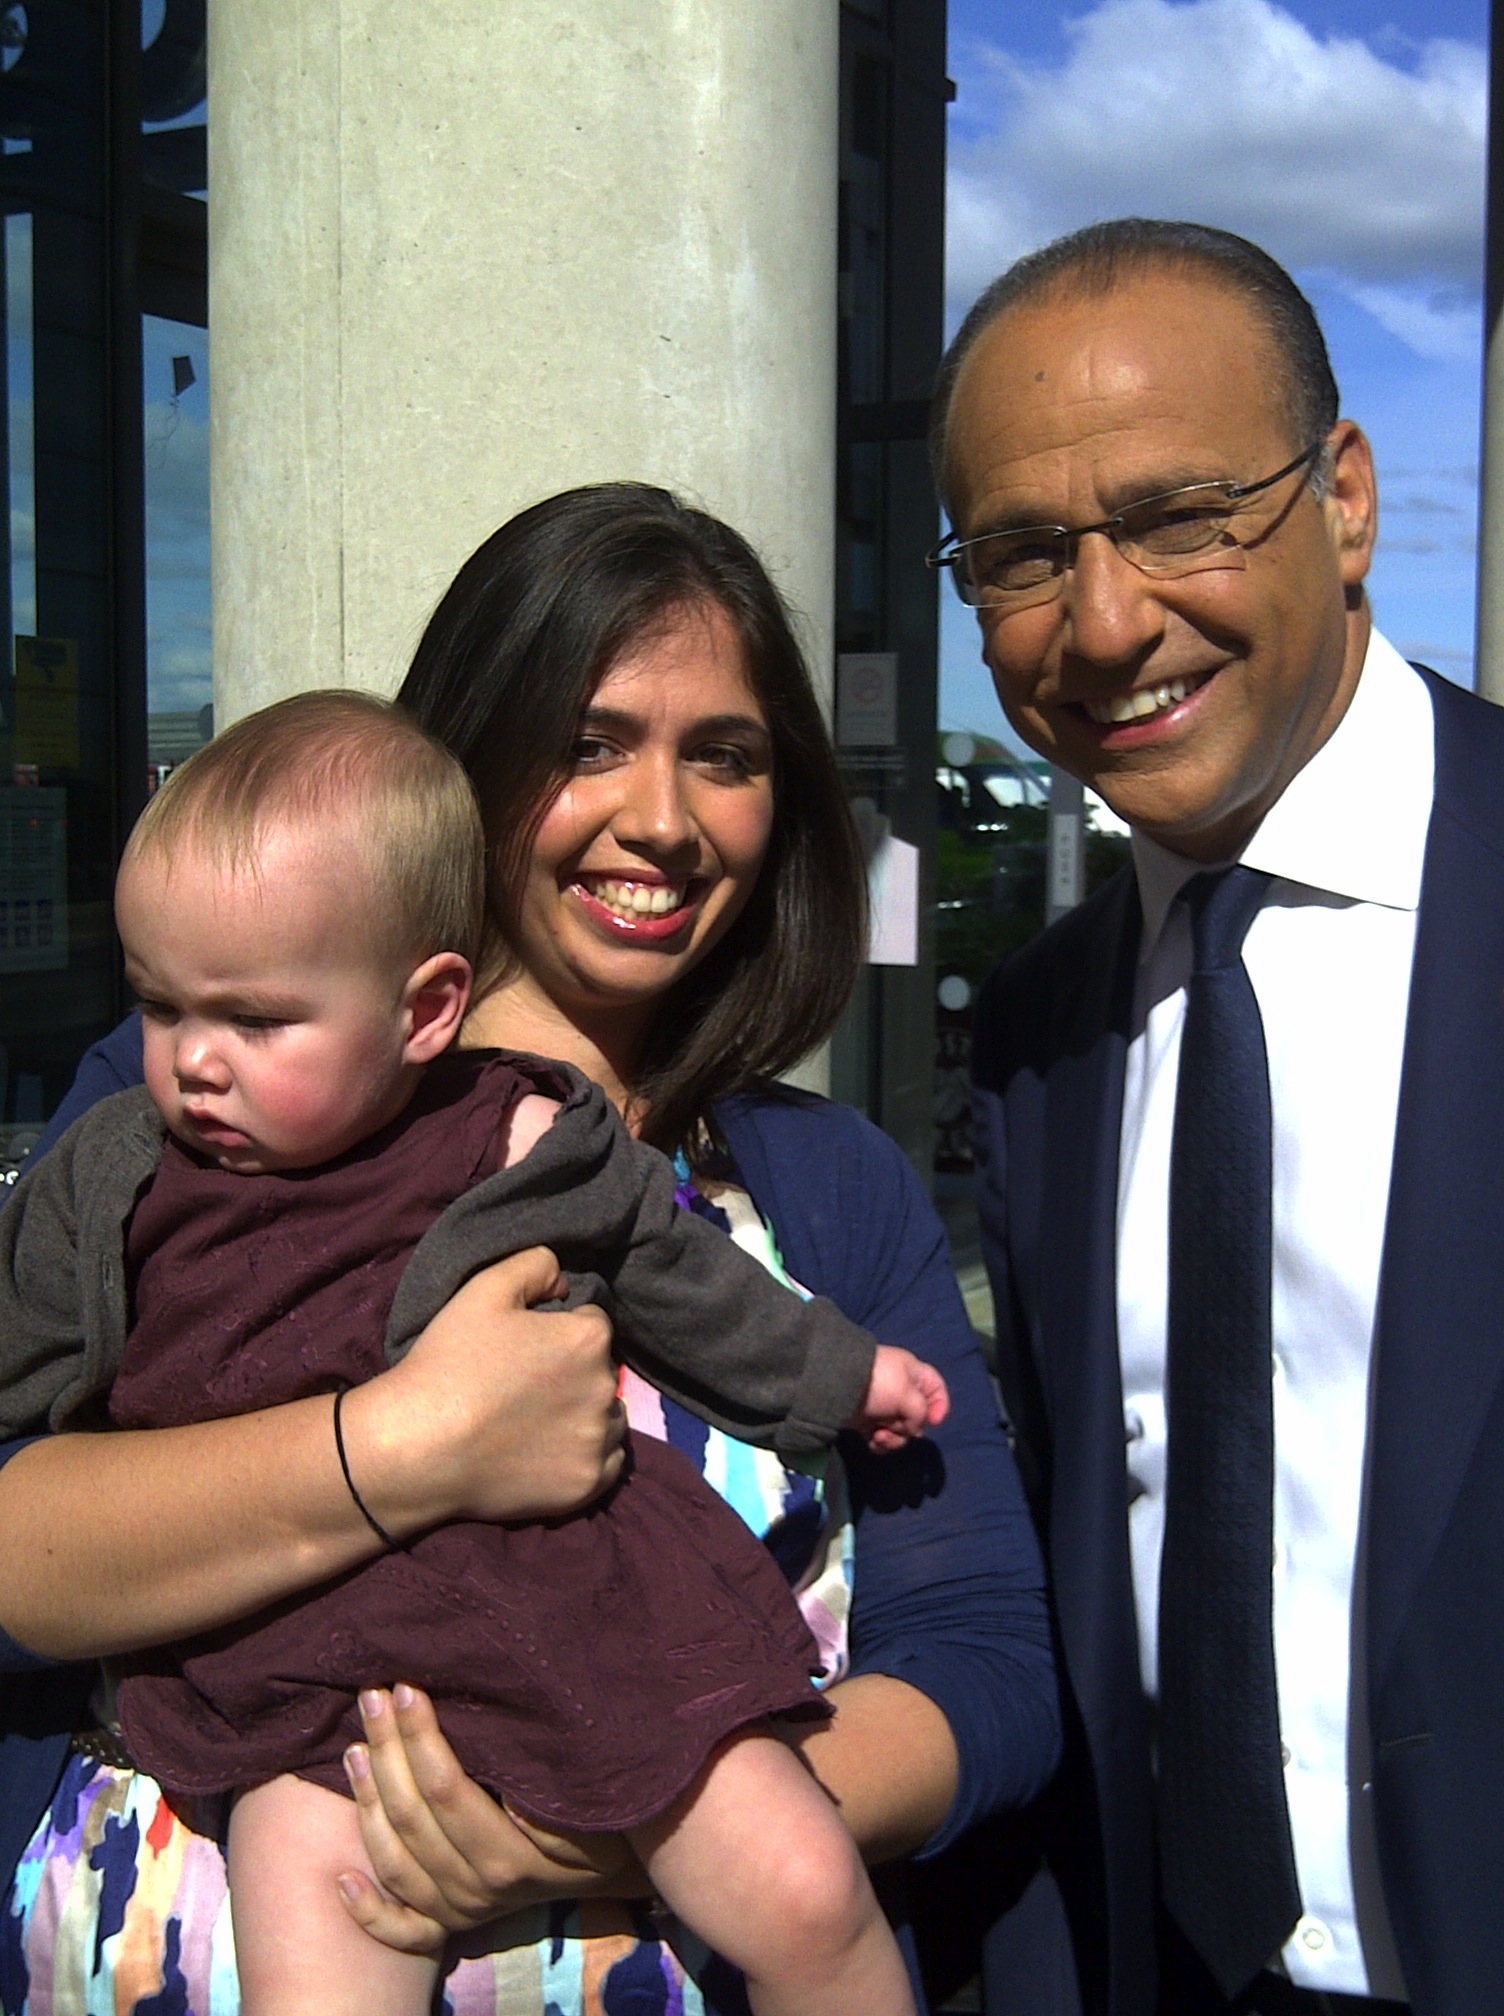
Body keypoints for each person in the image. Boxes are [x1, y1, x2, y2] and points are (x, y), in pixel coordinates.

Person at [0, 484, 1060, 2016]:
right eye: (586, 744)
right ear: (467, 766)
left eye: (727, 756)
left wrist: (604, 1803)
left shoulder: (830, 1189)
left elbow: (987, 1668)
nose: (663, 819)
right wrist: (403, 1447)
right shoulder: (188, 1103)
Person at [931, 217, 1504, 2016]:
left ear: (1345, 499)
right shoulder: (1035, 1038)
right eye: (1024, 556)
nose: (1106, 624)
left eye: (1185, 517)